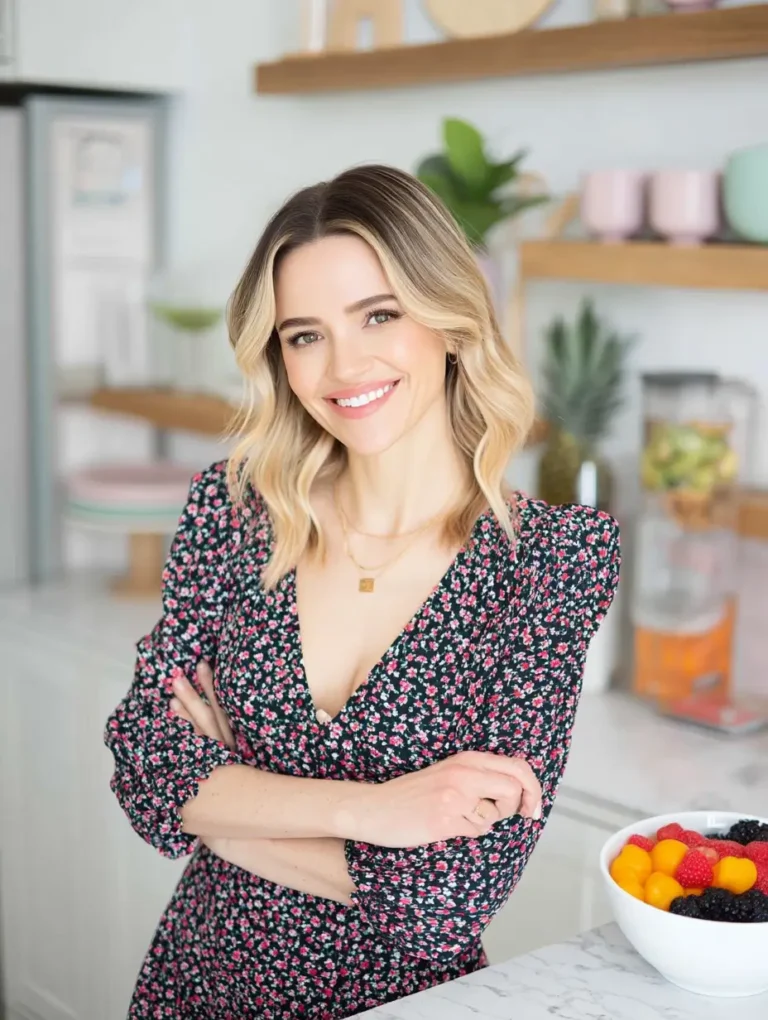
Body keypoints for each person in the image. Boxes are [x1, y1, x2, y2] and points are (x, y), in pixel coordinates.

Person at [105, 163, 621, 1019]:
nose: (344, 366)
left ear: (451, 320)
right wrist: (381, 811)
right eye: (304, 334)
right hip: (200, 988)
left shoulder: (549, 566)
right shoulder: (236, 515)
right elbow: (142, 765)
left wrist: (219, 802)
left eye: (378, 315)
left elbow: (447, 902)